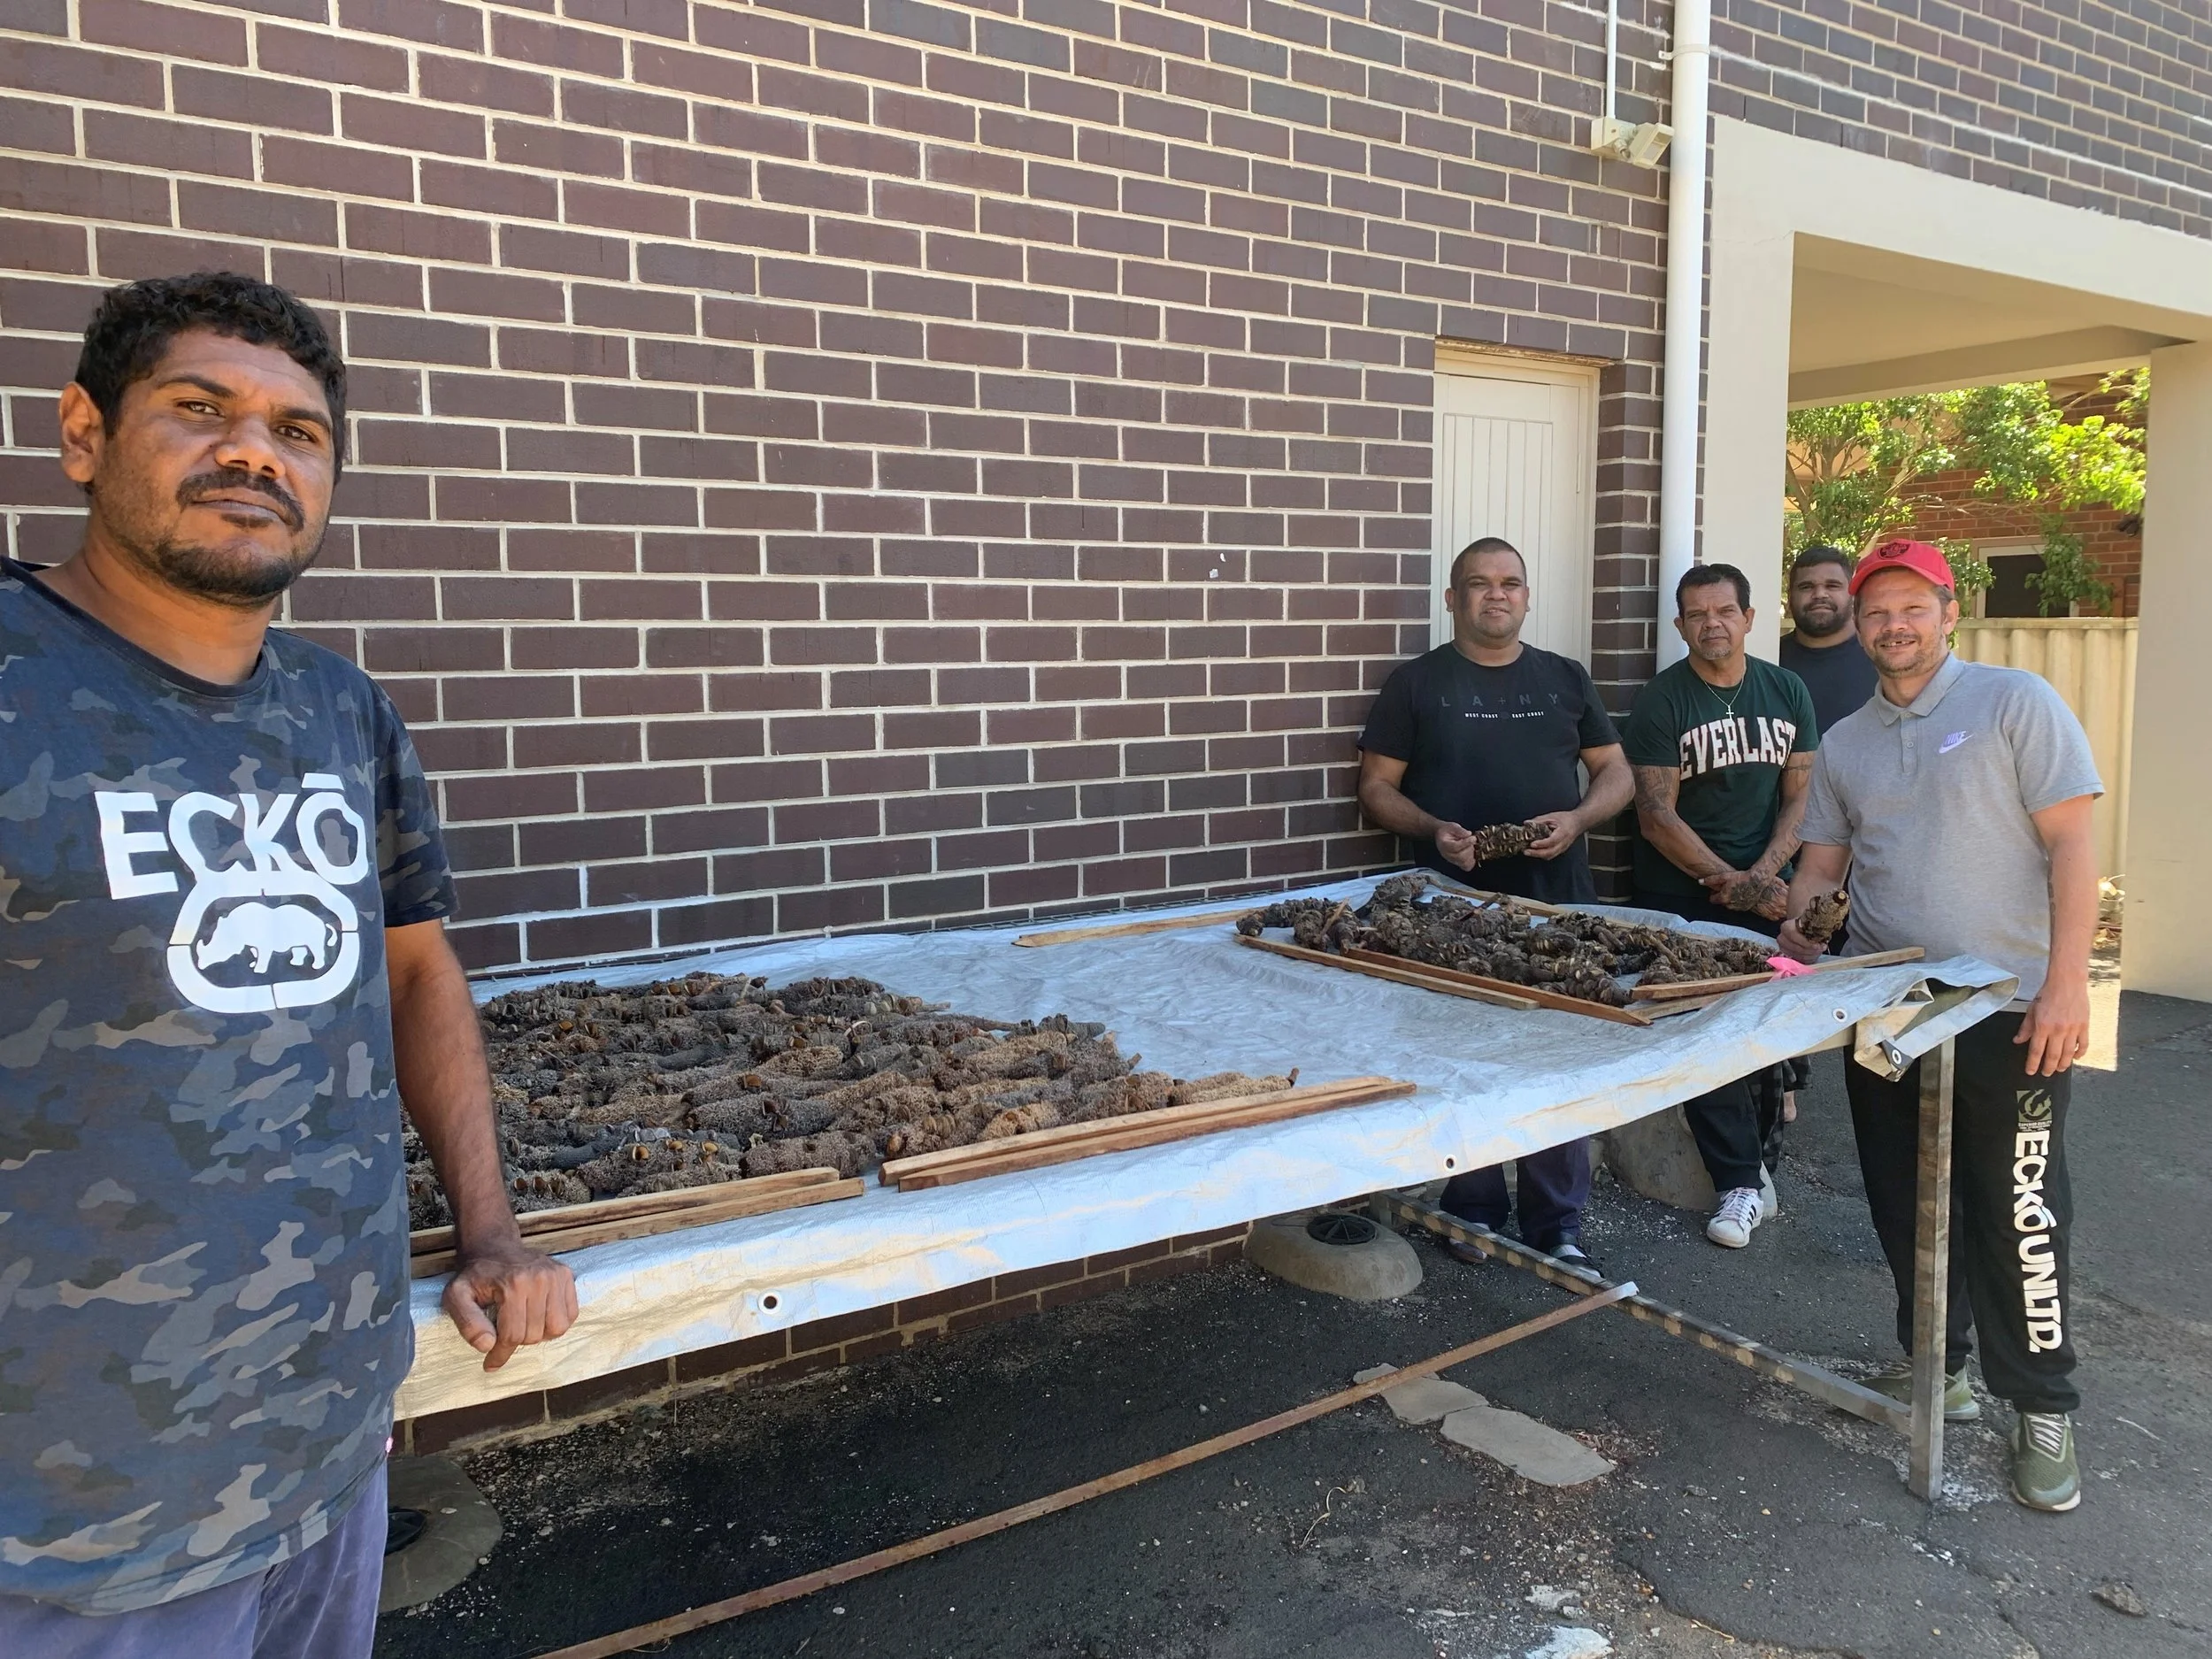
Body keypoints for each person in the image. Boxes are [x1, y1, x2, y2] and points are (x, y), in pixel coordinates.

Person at [0, 273, 578, 1655]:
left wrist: (488, 1225)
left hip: (327, 1446)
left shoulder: (338, 707)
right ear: (84, 433)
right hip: (68, 1515)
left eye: (297, 430)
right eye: (198, 410)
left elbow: (417, 971)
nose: (253, 450)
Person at [1779, 538, 2100, 1513]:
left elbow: (2074, 841)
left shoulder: (2014, 703)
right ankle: (1938, 1370)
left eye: (1911, 606)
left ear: (1949, 611)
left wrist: (2067, 986)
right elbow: (1823, 870)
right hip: (1893, 1007)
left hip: (2008, 1005)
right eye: (1877, 611)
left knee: (2017, 1211)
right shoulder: (1848, 741)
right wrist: (1796, 932)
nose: (1892, 625)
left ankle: (2040, 1405)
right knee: (1903, 1200)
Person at [1357, 536, 1634, 1270]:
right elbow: (1376, 787)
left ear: (1528, 596)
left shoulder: (1565, 678)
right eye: (1478, 584)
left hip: (1557, 907)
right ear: (1452, 599)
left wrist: (1576, 820)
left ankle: (1557, 1224)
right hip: (1452, 912)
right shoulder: (1415, 684)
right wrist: (1432, 828)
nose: (1496, 595)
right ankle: (1472, 1209)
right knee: (1462, 1058)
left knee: (1560, 1060)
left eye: (1510, 582)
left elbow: (1617, 774)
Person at [1624, 563, 1818, 1248]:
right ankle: (1737, 1179)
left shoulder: (1786, 689)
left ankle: (1761, 1163)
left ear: (1749, 617)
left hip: (1767, 891)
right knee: (1709, 1035)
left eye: (1724, 611)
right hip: (1682, 895)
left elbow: (1802, 795)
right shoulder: (1662, 702)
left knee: (1763, 1028)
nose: (1712, 623)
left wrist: (1766, 876)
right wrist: (1729, 879)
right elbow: (1655, 814)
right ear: (1680, 625)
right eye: (1697, 614)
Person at [1778, 544, 1879, 734]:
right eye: (1806, 587)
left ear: (1853, 595)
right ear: (1790, 597)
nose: (1819, 595)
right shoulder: (1770, 661)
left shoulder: (1881, 659)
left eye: (1832, 585)